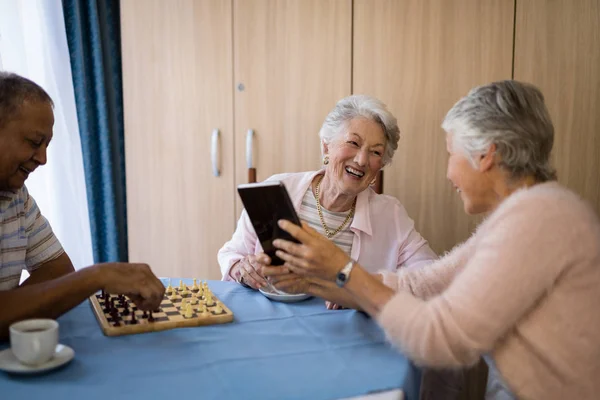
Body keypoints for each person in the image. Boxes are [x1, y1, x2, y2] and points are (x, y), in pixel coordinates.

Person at [269, 81, 600, 399]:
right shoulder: (529, 213)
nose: (448, 173)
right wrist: (310, 283)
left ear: (486, 155)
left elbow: (440, 338)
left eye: (450, 153)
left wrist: (341, 268)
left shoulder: (538, 221)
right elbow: (428, 283)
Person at [218, 95, 436, 308]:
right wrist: (242, 269)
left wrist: (361, 289)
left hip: (345, 334)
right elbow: (231, 254)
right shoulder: (275, 190)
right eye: (353, 142)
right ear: (326, 147)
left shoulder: (391, 215)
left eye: (375, 152)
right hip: (271, 320)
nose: (361, 160)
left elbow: (431, 278)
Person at [0, 72, 165, 340]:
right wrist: (96, 276)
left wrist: (9, 309)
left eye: (47, 145)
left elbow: (57, 269)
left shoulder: (16, 196)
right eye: (33, 142)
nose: (42, 159)